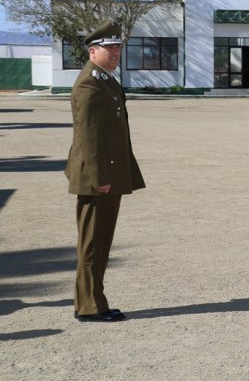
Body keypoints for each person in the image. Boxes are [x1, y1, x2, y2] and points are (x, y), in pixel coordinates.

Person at [65, 21, 145, 322]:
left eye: (118, 49)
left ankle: (93, 301)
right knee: (92, 244)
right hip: (96, 178)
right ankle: (88, 306)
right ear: (92, 51)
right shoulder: (89, 84)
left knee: (100, 242)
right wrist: (101, 179)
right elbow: (88, 137)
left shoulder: (106, 81)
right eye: (110, 49)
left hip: (107, 175)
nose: (116, 55)